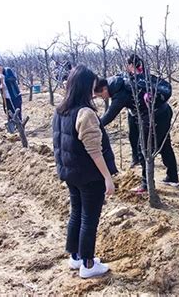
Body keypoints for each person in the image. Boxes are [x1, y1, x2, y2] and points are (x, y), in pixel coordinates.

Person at [52, 65, 117, 279]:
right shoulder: (85, 113)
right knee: (89, 218)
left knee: (77, 212)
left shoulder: (61, 110)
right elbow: (94, 150)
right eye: (92, 84)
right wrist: (107, 177)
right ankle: (88, 264)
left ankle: (76, 256)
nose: (95, 88)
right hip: (89, 176)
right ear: (84, 86)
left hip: (71, 173)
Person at [94, 54, 179, 193]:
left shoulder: (120, 93)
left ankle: (146, 185)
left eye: (100, 95)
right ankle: (172, 177)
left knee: (144, 150)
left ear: (104, 89)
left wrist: (95, 126)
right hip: (163, 111)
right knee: (164, 145)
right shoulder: (119, 80)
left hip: (154, 116)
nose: (102, 98)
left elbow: (110, 114)